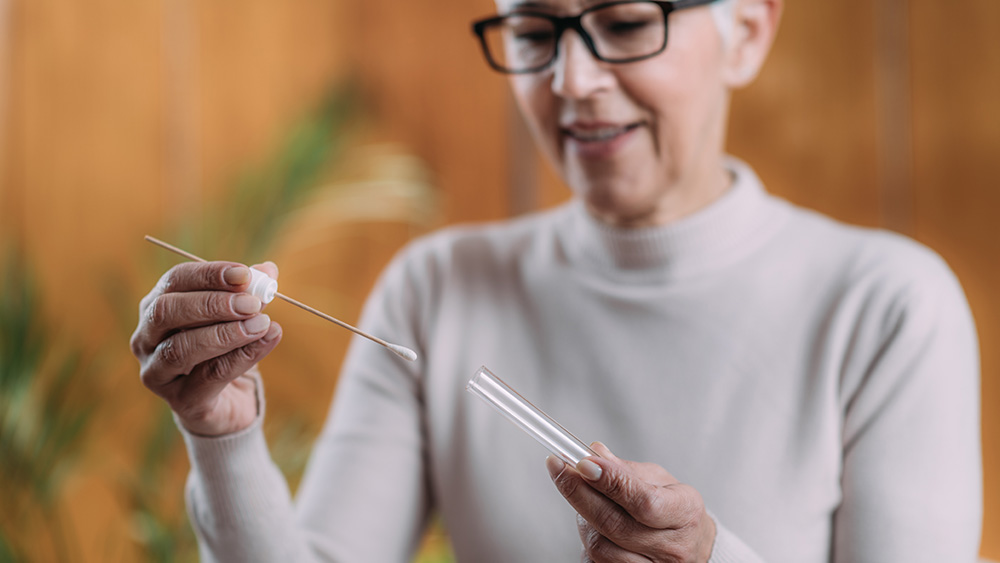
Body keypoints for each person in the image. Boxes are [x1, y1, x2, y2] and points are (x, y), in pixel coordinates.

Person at [129, 0, 983, 560]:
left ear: (749, 31)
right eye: (536, 34)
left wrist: (711, 554)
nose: (571, 83)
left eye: (623, 23)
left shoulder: (888, 307)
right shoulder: (437, 289)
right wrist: (223, 435)